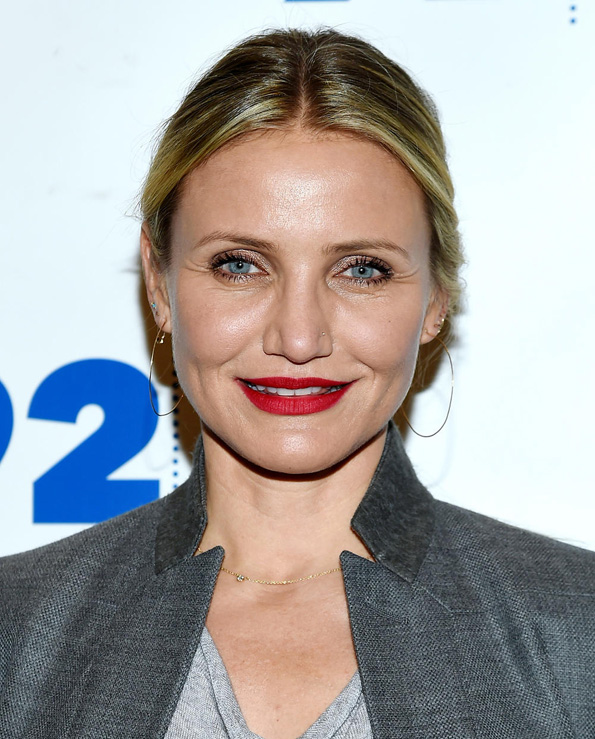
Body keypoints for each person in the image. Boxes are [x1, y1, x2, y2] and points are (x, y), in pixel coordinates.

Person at [1, 27, 594, 739]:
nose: (299, 337)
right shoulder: (17, 627)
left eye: (362, 269)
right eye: (240, 265)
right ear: (158, 283)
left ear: (436, 296)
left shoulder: (575, 628)